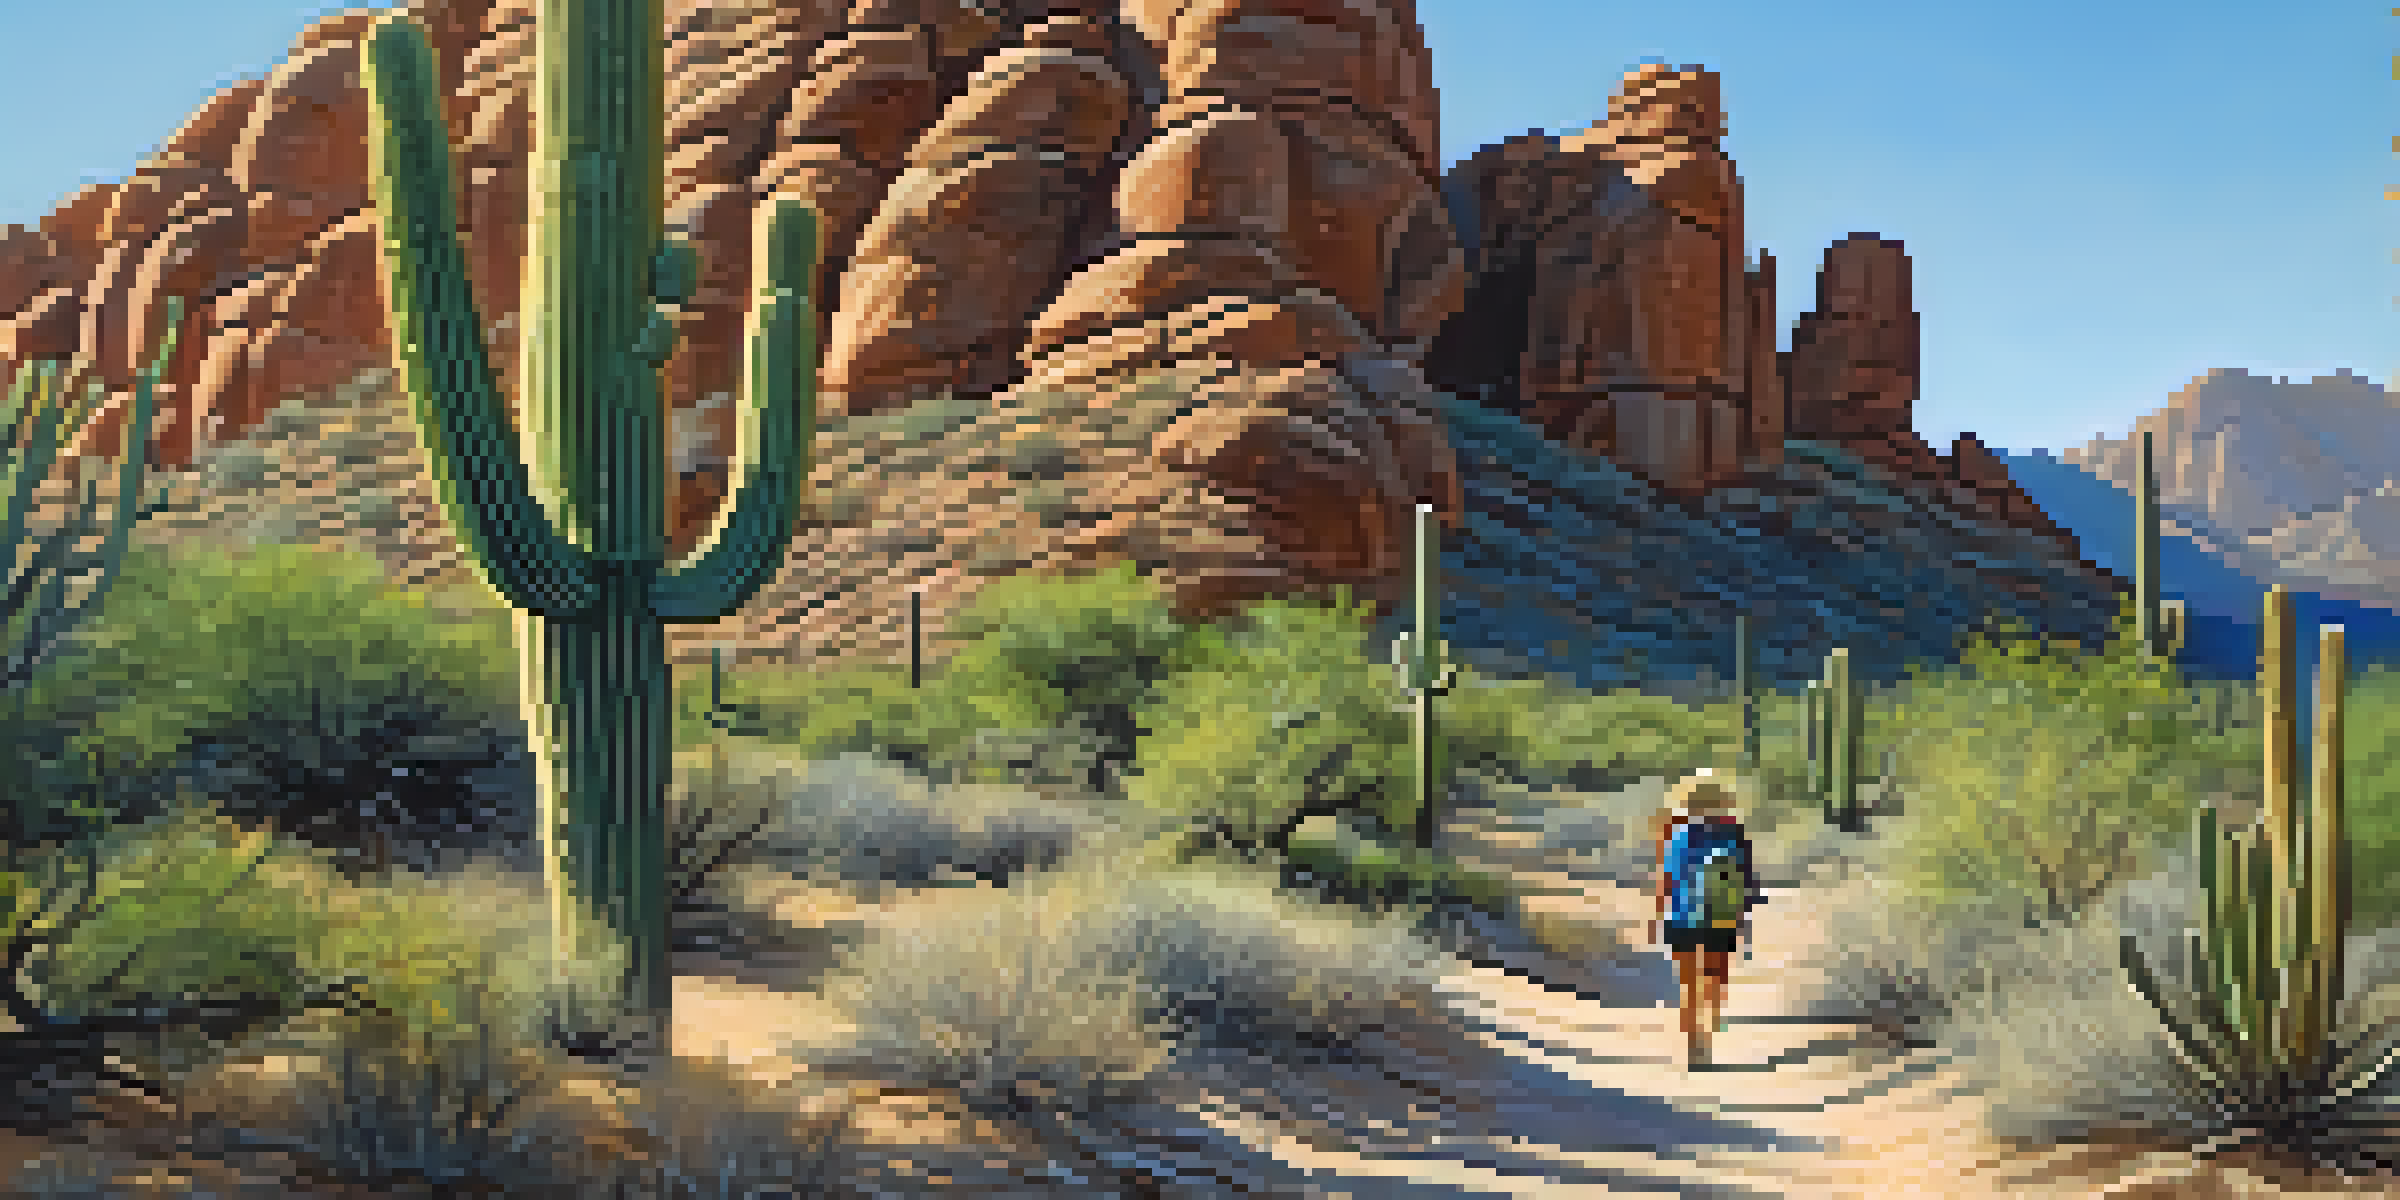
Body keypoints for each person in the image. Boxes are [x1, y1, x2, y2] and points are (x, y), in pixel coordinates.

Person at [1650, 767, 1764, 1068]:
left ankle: (1692, 1040)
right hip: (1721, 917)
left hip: (1681, 917)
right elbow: (1747, 880)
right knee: (1715, 980)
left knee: (1688, 983)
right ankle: (1709, 1032)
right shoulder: (1735, 835)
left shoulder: (1677, 833)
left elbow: (1667, 879)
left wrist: (1658, 915)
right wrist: (1744, 916)